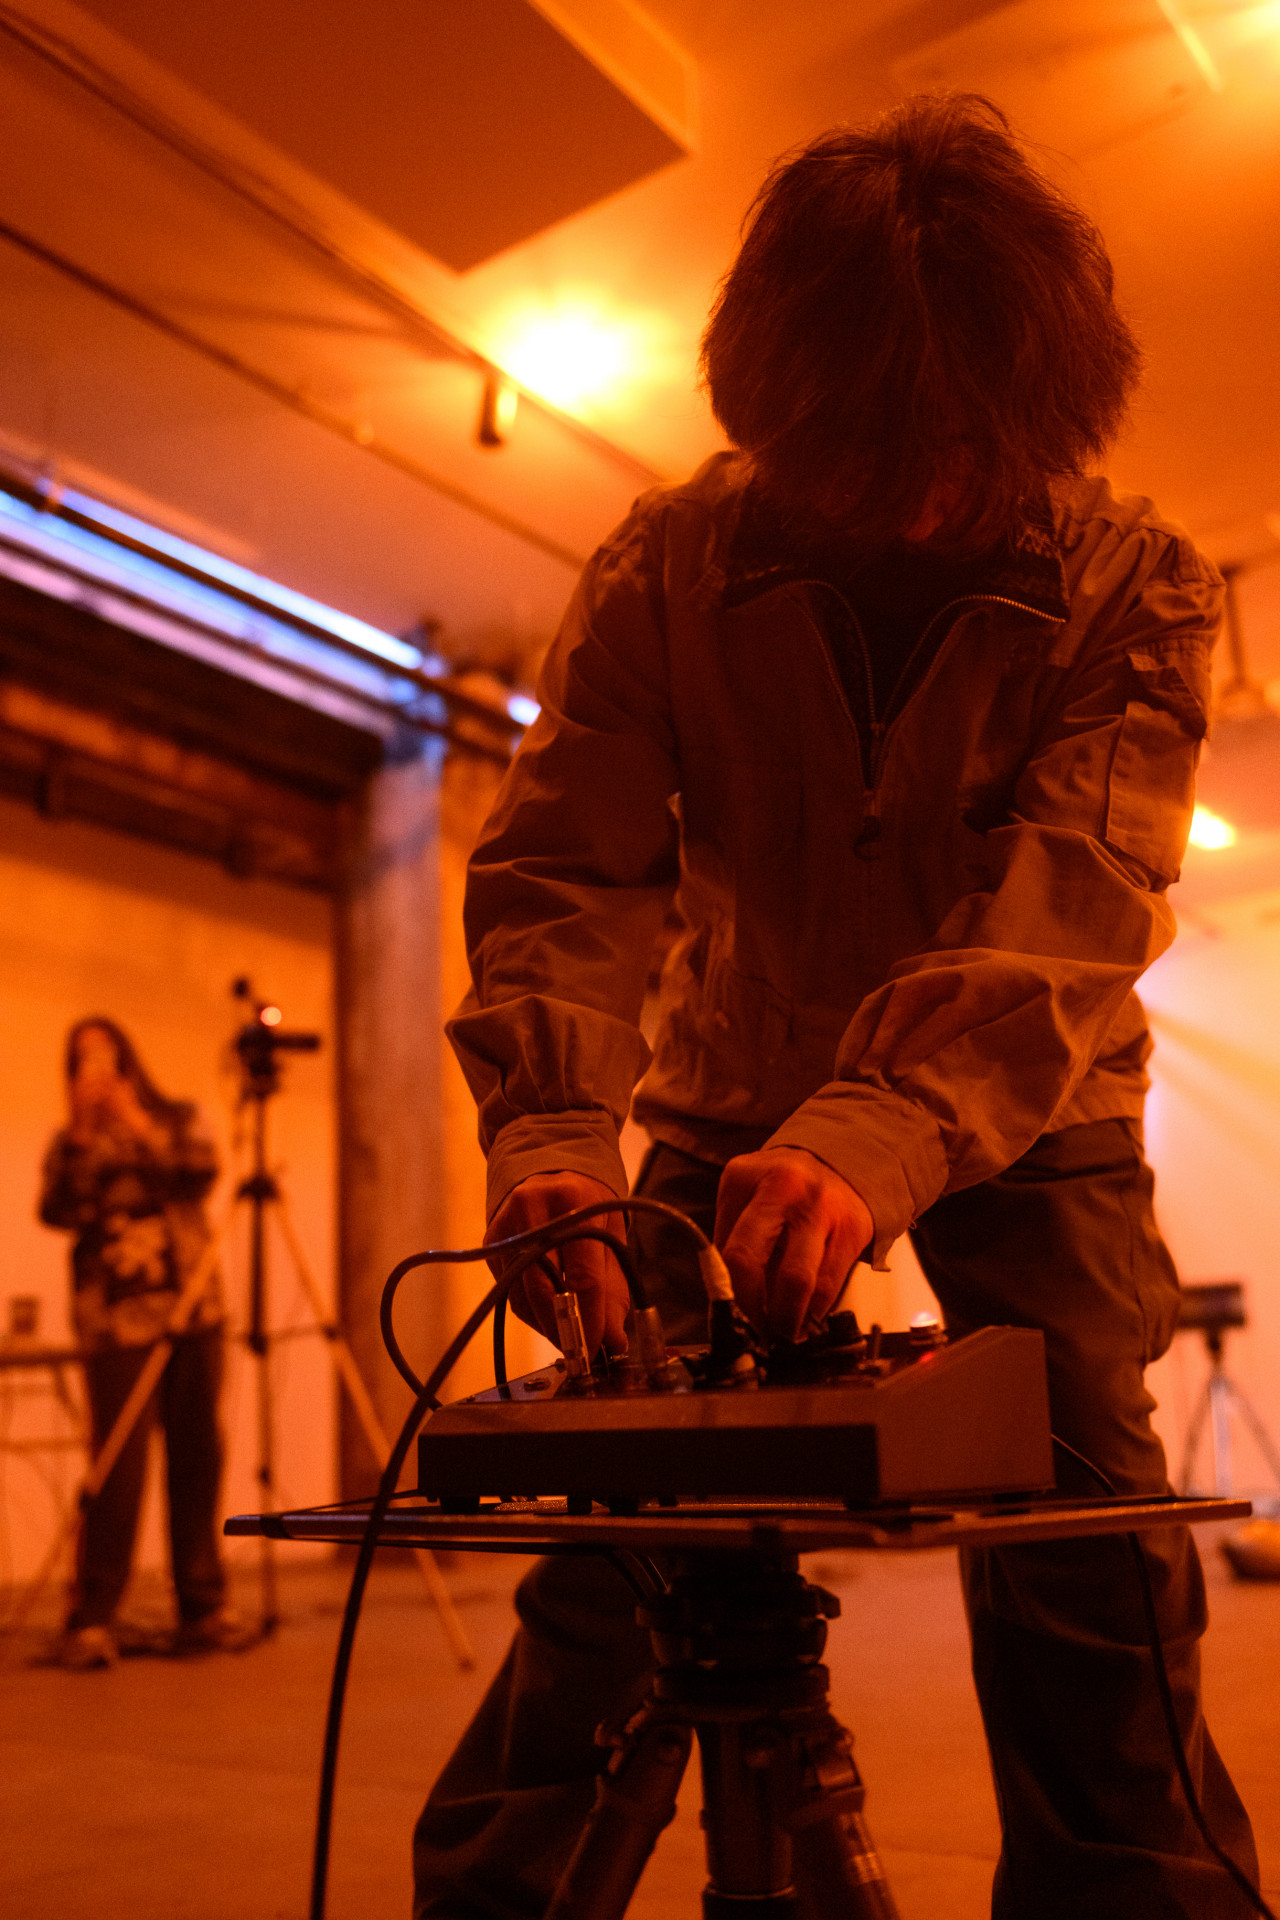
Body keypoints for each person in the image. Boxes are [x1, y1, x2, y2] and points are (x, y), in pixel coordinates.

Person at [415, 95, 1259, 1918]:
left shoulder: (1139, 587)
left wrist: (881, 1134)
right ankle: (492, 1893)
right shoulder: (666, 570)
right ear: (769, 405)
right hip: (730, 1091)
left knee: (1089, 1529)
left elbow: (1075, 904)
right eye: (859, 450)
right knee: (623, 1522)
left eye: (959, 446)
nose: (920, 495)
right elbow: (566, 874)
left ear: (1044, 402)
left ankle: (1143, 1893)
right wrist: (557, 1135)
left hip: (1038, 1112)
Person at [39, 1018, 248, 1666]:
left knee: (197, 1459)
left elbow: (200, 1172)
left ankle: (202, 1606)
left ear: (128, 1061)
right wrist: (80, 1131)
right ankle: (93, 1616)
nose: (95, 1071)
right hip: (114, 1322)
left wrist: (133, 1120)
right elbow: (59, 1211)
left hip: (189, 1310)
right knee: (118, 1466)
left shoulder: (175, 1117)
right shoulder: (69, 1143)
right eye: (81, 1061)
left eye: (104, 1057)